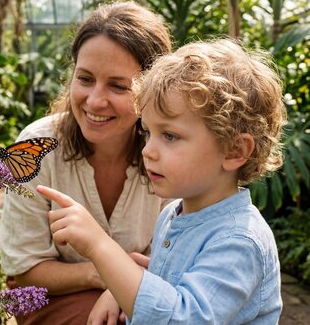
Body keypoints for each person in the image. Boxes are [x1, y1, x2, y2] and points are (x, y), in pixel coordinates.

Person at [37, 39, 285, 324]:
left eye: (170, 136)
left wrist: (99, 245)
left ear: (235, 150)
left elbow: (182, 317)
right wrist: (116, 291)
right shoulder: (173, 213)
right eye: (147, 132)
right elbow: (163, 283)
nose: (148, 150)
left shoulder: (239, 241)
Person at [0, 0, 172, 324]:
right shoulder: (36, 148)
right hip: (52, 297)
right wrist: (106, 274)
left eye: (118, 86)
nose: (94, 101)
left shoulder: (170, 154)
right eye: (85, 79)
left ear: (152, 89)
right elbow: (24, 271)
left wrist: (123, 287)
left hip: (146, 292)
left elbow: (175, 257)